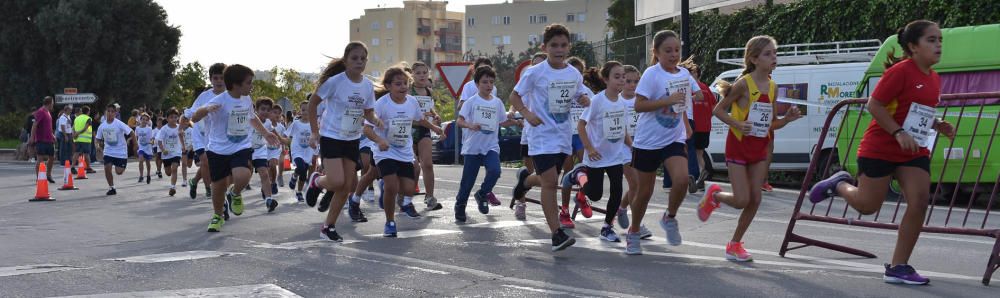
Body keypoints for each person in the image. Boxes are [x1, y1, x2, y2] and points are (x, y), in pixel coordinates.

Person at [808, 20, 949, 285]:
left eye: (940, 39)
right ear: (913, 47)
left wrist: (937, 124)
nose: (938, 45)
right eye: (931, 40)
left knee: (919, 203)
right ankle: (839, 184)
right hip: (881, 147)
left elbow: (917, 113)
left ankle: (898, 266)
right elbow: (875, 104)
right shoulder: (900, 72)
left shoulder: (934, 78)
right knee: (867, 206)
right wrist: (897, 133)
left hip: (912, 150)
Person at [698, 35, 803, 262]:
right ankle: (714, 194)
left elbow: (771, 123)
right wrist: (737, 123)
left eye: (774, 53)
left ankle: (734, 244)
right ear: (754, 59)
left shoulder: (773, 87)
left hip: (759, 148)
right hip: (738, 145)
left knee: (755, 199)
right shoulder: (744, 84)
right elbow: (718, 110)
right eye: (767, 54)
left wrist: (788, 119)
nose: (773, 57)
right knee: (742, 200)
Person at [508, 23, 591, 252]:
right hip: (541, 134)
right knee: (551, 182)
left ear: (569, 47)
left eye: (563, 45)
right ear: (545, 47)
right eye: (554, 45)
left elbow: (580, 94)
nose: (559, 49)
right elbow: (514, 96)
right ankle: (556, 233)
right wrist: (526, 113)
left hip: (563, 135)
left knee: (546, 180)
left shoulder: (573, 73)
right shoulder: (535, 72)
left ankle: (524, 182)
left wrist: (583, 99)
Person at [626, 30, 704, 255]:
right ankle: (633, 231)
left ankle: (669, 218)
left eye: (677, 50)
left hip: (673, 137)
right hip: (648, 141)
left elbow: (696, 95)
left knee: (681, 180)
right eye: (667, 51)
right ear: (656, 53)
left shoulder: (684, 74)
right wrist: (666, 100)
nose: (673, 55)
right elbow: (639, 106)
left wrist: (694, 100)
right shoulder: (652, 74)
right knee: (644, 191)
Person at [303, 42, 382, 242]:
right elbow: (312, 104)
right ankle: (317, 181)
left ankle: (328, 227)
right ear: (346, 60)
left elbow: (368, 111)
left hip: (352, 138)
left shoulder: (366, 85)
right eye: (354, 58)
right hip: (331, 136)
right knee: (337, 181)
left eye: (363, 59)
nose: (359, 62)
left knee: (346, 186)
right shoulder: (335, 82)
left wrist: (375, 120)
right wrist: (314, 132)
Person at [192, 64, 279, 233]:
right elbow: (195, 117)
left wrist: (266, 133)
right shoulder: (219, 100)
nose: (251, 86)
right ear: (235, 84)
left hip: (241, 146)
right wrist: (206, 109)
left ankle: (236, 193)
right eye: (248, 83)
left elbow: (252, 118)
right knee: (218, 187)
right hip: (217, 149)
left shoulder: (246, 99)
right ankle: (218, 216)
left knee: (243, 174)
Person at [366, 66, 443, 235]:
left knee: (409, 189)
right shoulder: (381, 104)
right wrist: (380, 140)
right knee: (392, 186)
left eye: (405, 83)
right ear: (388, 86)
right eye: (398, 84)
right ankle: (390, 222)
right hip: (385, 151)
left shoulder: (412, 102)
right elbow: (367, 128)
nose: (403, 87)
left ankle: (405, 201)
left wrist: (435, 129)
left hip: (404, 151)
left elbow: (421, 119)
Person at [454, 65, 517, 222]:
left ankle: (482, 194)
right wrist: (470, 125)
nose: (488, 85)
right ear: (477, 84)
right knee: (467, 182)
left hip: (490, 146)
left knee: (495, 171)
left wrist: (516, 122)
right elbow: (459, 121)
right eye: (484, 82)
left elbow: (502, 121)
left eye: (491, 82)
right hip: (473, 148)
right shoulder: (471, 102)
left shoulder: (497, 103)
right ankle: (460, 205)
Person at [577, 61, 631, 242]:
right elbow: (581, 125)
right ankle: (579, 175)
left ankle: (607, 227)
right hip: (596, 155)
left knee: (617, 190)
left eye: (623, 76)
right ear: (606, 79)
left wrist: (632, 147)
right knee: (595, 194)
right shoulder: (597, 101)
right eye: (617, 77)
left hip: (615, 155)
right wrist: (589, 148)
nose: (622, 80)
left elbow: (622, 129)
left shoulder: (622, 102)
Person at [509, 52, 547, 220]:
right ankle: (521, 203)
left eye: (542, 64)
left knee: (547, 175)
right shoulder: (529, 81)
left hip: (550, 135)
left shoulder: (553, 82)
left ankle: (525, 182)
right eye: (536, 65)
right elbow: (515, 100)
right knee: (532, 171)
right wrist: (512, 112)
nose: (539, 68)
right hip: (530, 133)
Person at [183, 63, 228, 200]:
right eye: (215, 78)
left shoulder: (230, 95)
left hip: (216, 136)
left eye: (222, 78)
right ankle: (210, 189)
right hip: (199, 134)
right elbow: (192, 111)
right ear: (210, 79)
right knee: (205, 162)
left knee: (208, 164)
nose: (219, 81)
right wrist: (186, 116)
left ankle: (195, 181)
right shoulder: (204, 96)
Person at [408, 62, 445, 210]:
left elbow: (431, 109)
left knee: (428, 164)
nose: (422, 75)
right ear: (412, 75)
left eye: (425, 72)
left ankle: (430, 197)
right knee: (413, 166)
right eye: (418, 73)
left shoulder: (429, 92)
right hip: (409, 130)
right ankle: (406, 198)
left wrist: (436, 117)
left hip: (424, 130)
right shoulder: (409, 91)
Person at [682, 58, 718, 192]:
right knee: (699, 154)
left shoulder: (687, 87)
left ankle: (692, 176)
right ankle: (702, 174)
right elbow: (714, 107)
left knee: (688, 152)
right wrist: (707, 117)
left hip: (692, 125)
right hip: (705, 126)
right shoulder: (706, 88)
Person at [94, 104, 135, 195]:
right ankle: (112, 187)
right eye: (108, 111)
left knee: (119, 172)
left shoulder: (119, 123)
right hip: (108, 151)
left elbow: (131, 132)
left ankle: (123, 165)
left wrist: (135, 146)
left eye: (112, 111)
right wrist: (97, 146)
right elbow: (97, 138)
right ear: (105, 112)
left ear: (115, 113)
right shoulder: (102, 126)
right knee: (107, 168)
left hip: (121, 151)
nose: (110, 113)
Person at [249, 98, 278, 212]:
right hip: (247, 150)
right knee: (246, 175)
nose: (265, 112)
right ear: (256, 109)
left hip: (260, 150)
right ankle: (233, 193)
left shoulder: (268, 122)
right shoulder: (250, 119)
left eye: (268, 110)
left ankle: (269, 200)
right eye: (262, 109)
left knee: (265, 174)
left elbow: (272, 132)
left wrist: (280, 140)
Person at [157, 108, 186, 197]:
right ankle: (171, 182)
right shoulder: (164, 129)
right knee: (168, 172)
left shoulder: (179, 127)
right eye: (171, 117)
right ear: (167, 118)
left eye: (175, 117)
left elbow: (181, 138)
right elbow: (159, 141)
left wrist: (183, 147)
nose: (173, 119)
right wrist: (163, 150)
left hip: (176, 152)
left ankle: (172, 187)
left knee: (174, 168)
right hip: (166, 154)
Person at [29, 96, 56, 183]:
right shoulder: (40, 111)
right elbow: (34, 125)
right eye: (53, 103)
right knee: (40, 159)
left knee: (52, 158)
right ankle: (39, 178)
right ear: (49, 103)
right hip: (41, 140)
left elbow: (48, 126)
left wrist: (52, 135)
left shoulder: (48, 112)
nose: (53, 105)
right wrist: (32, 137)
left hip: (49, 140)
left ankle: (48, 175)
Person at [134, 113, 154, 184]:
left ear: (148, 121)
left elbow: (151, 139)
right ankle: (141, 176)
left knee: (148, 162)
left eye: (146, 120)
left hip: (148, 147)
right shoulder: (137, 128)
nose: (144, 121)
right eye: (143, 119)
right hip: (141, 147)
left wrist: (151, 142)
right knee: (141, 160)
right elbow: (135, 137)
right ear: (140, 120)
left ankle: (148, 175)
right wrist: (135, 145)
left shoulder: (149, 129)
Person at [56, 105, 74, 170]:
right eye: (70, 110)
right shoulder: (62, 117)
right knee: (63, 148)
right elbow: (62, 126)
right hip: (64, 134)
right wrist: (65, 135)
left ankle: (68, 161)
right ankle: (62, 162)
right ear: (66, 110)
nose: (71, 111)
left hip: (69, 133)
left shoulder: (68, 116)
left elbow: (69, 125)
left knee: (69, 148)